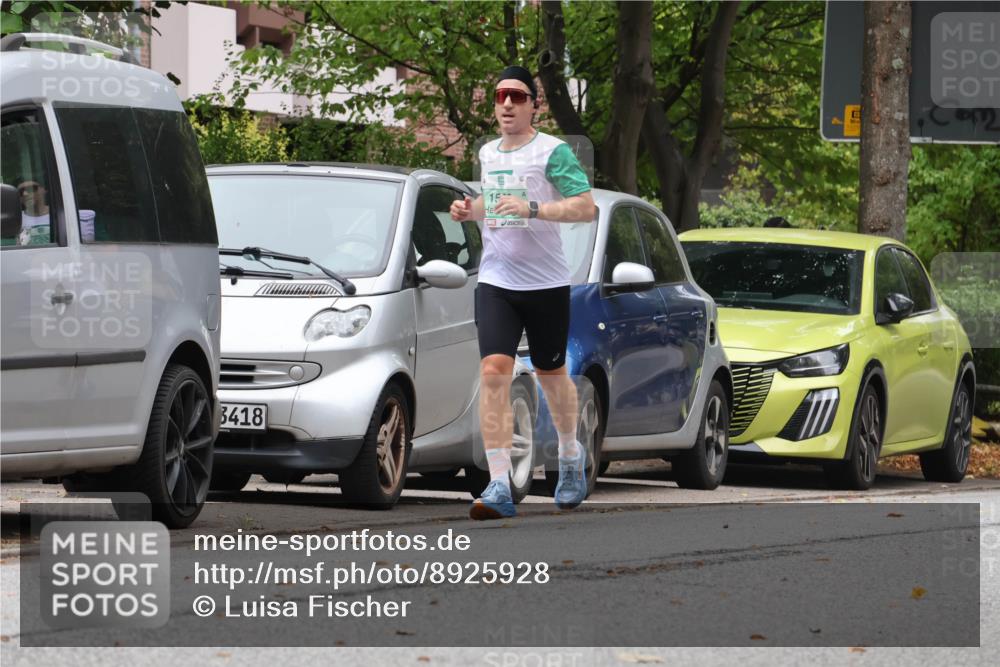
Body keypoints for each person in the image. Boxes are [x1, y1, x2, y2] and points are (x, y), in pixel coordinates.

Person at [450, 65, 596, 520]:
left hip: (546, 282)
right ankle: (497, 483)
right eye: (499, 97)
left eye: (516, 96)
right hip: (496, 280)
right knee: (494, 371)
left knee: (551, 375)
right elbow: (492, 206)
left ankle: (571, 458)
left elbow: (585, 207)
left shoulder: (551, 152)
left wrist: (534, 207)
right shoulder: (488, 152)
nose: (507, 104)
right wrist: (467, 209)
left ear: (534, 104)